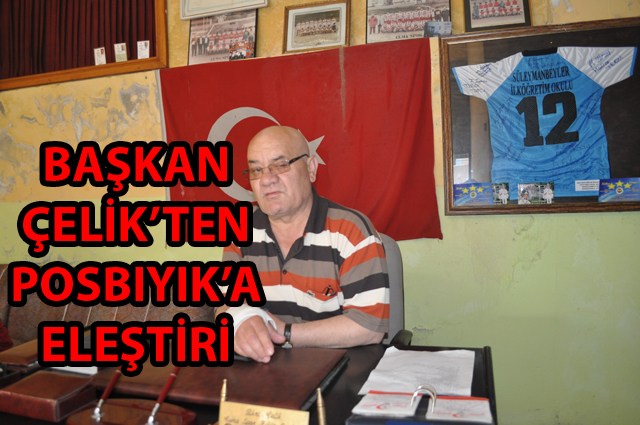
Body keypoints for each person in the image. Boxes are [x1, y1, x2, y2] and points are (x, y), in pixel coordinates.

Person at [217, 126, 389, 363]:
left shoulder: (351, 231)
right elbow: (225, 304)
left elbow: (369, 327)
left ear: (311, 169)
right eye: (256, 170)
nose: (267, 179)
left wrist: (285, 333)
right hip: (265, 367)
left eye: (280, 165)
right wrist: (240, 319)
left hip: (338, 368)